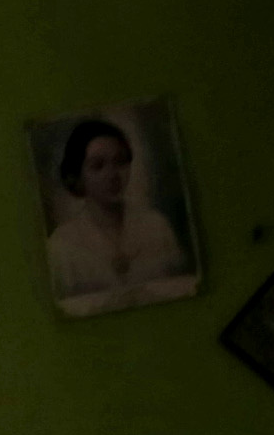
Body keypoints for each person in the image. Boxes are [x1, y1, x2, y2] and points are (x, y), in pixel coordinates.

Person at [42, 118, 190, 307]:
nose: (112, 175)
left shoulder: (156, 226)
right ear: (79, 176)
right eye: (98, 166)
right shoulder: (61, 245)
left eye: (120, 162)